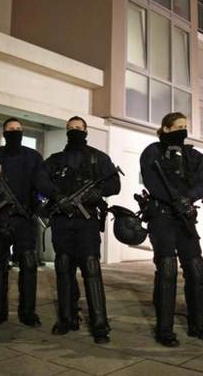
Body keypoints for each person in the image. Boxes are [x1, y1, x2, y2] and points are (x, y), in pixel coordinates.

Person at [141, 112, 203, 347]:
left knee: (196, 269)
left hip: (185, 217)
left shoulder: (193, 155)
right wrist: (173, 199)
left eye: (185, 126)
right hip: (162, 216)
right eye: (177, 126)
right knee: (167, 270)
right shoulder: (152, 152)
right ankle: (164, 328)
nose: (182, 130)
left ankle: (199, 324)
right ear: (165, 128)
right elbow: (151, 181)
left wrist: (188, 198)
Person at [44, 116, 120, 344]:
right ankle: (66, 318)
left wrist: (99, 193)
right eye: (71, 128)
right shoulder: (55, 160)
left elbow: (114, 184)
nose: (75, 131)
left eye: (79, 128)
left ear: (86, 131)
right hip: (61, 221)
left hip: (86, 221)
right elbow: (40, 180)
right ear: (66, 131)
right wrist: (57, 196)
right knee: (64, 266)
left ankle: (99, 324)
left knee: (91, 268)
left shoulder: (99, 158)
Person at [0, 117, 53, 327]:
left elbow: (43, 187)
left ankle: (28, 312)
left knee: (28, 263)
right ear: (4, 132)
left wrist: (37, 206)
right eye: (11, 129)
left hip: (24, 219)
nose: (15, 131)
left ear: (22, 132)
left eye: (18, 129)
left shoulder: (33, 157)